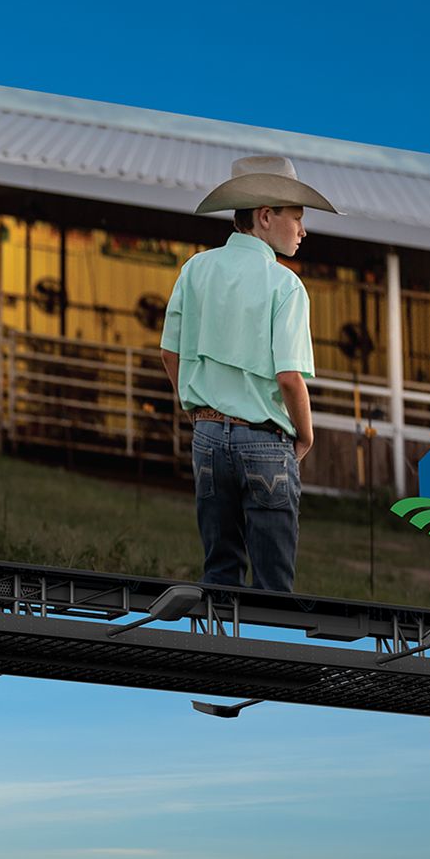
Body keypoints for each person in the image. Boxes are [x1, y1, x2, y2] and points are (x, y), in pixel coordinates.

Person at [158, 155, 338, 592]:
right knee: (274, 584)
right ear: (265, 216)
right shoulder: (285, 285)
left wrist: (196, 411)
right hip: (264, 442)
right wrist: (306, 435)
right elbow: (289, 378)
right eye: (297, 217)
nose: (303, 230)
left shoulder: (195, 269)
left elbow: (169, 352)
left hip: (207, 437)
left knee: (220, 573)